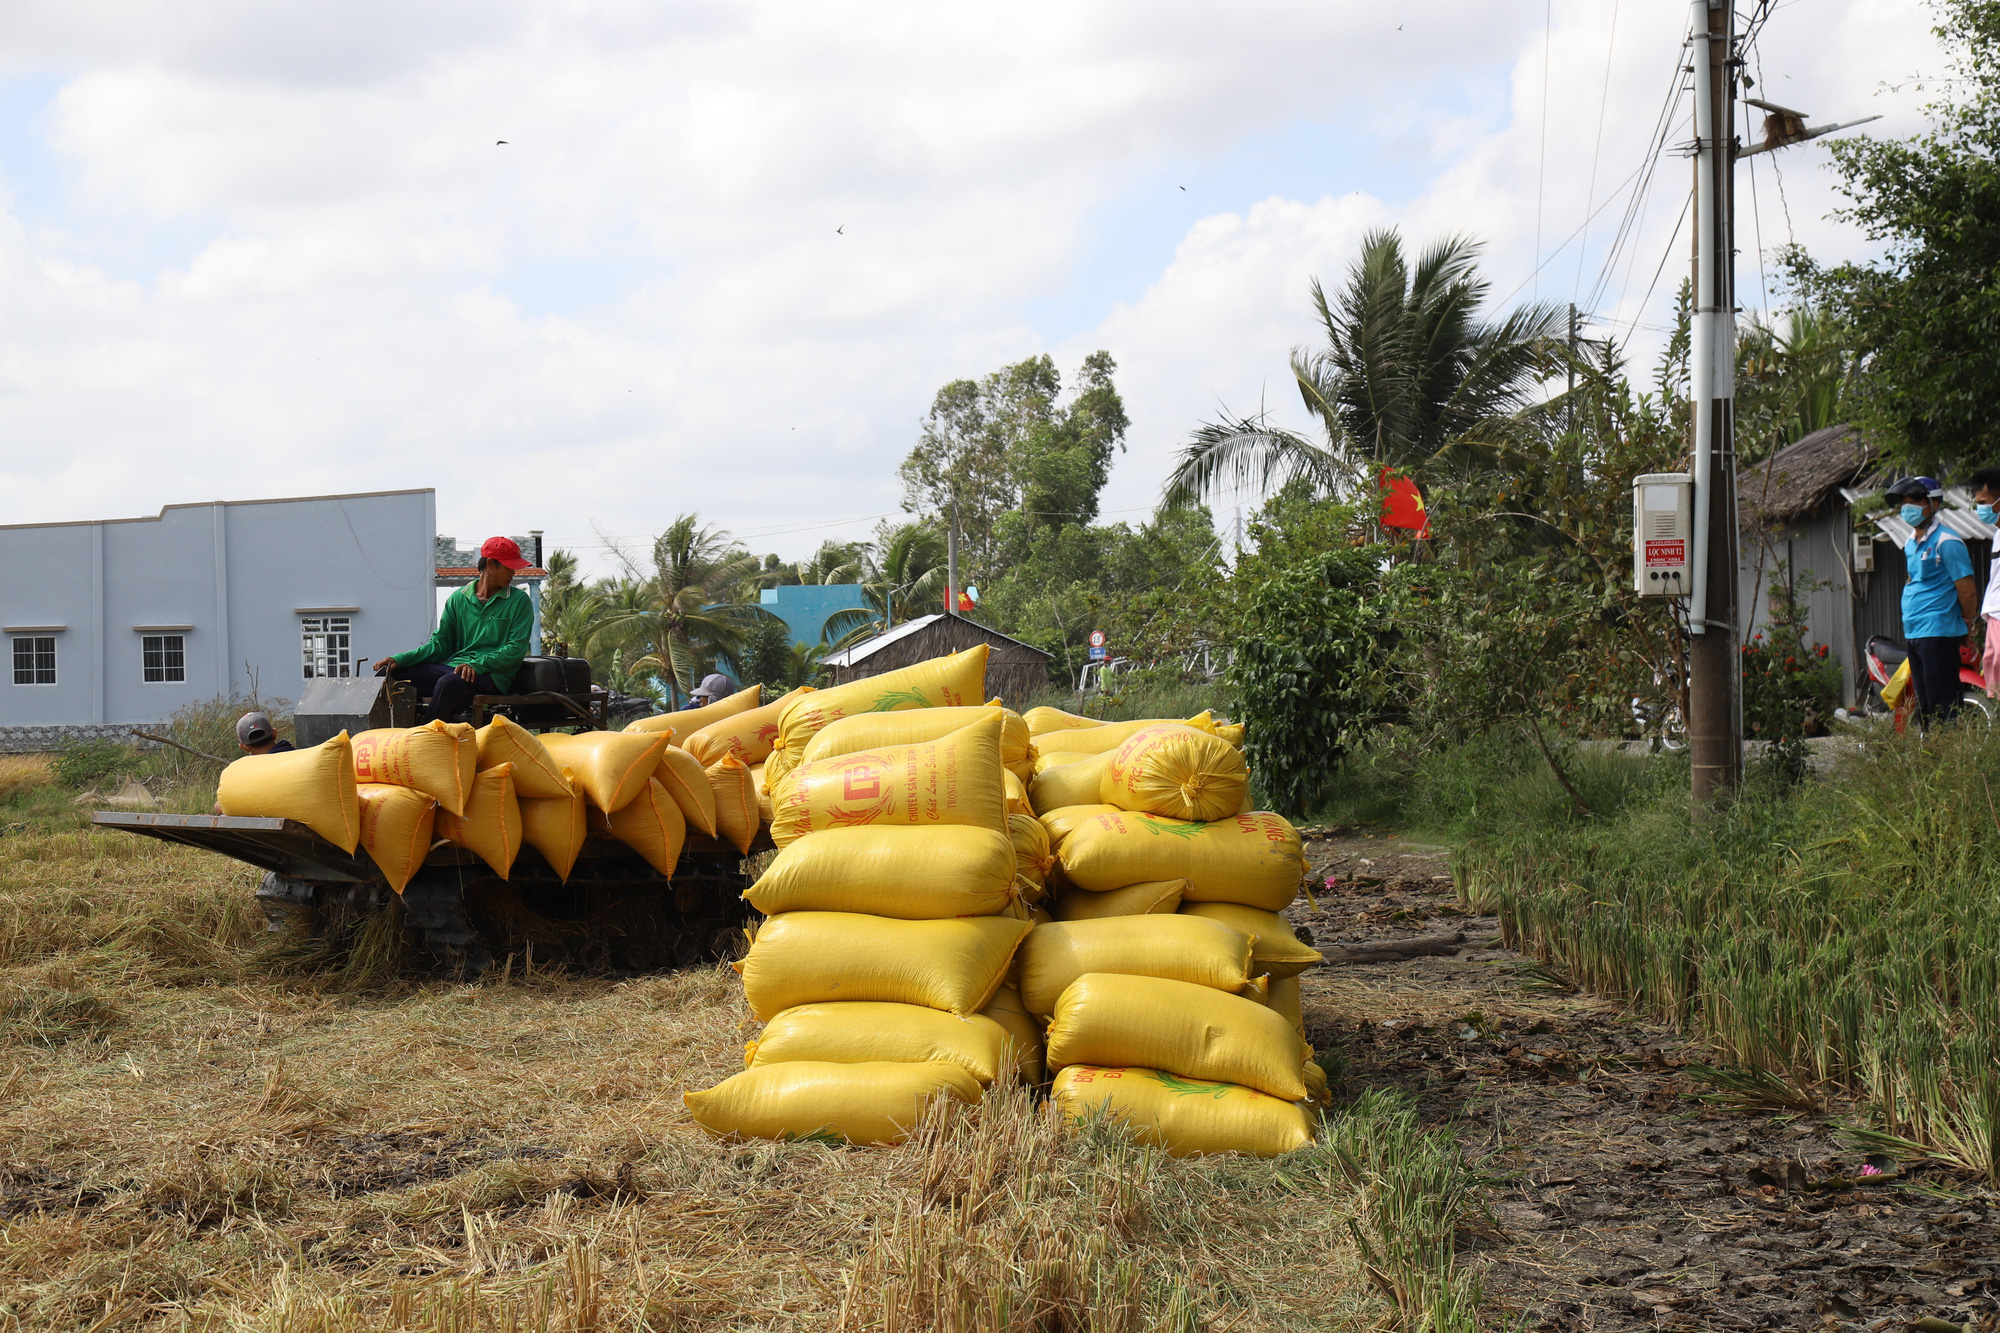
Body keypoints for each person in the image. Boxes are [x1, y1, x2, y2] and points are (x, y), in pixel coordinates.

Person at [375, 536, 535, 723]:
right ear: (491, 564)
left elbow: (515, 650)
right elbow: (441, 645)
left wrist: (477, 664)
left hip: (494, 676)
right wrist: (401, 659)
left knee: (449, 683)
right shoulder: (457, 599)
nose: (513, 573)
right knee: (391, 676)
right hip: (456, 669)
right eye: (509, 567)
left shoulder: (519, 601)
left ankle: (425, 739)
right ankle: (384, 739)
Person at [1887, 476, 1979, 726]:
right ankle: (1932, 756)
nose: (1908, 506)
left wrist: (1968, 620)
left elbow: (1968, 591)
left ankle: (1949, 759)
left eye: (1915, 500)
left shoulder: (1947, 541)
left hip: (1939, 632)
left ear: (1934, 504)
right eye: (1904, 501)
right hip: (1914, 631)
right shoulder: (1910, 542)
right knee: (1925, 704)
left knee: (1942, 704)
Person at [1970, 466, 2000, 697]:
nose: (1981, 509)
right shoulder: (1997, 535)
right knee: (1992, 676)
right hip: (1993, 613)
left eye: (1984, 502)